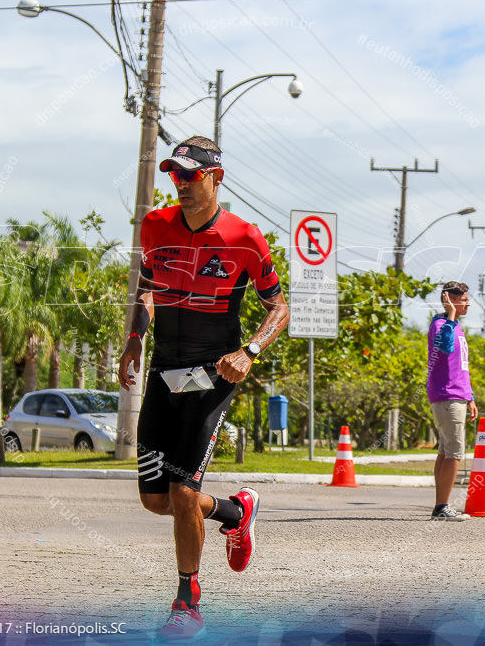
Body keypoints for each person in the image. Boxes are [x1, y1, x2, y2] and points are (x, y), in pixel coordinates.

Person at [118, 136, 289, 641]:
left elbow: (278, 308)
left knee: (182, 489)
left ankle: (187, 602)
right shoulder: (154, 226)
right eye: (175, 175)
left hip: (213, 374)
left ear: (217, 177)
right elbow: (146, 290)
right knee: (156, 501)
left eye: (191, 176)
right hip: (163, 371)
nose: (181, 185)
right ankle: (236, 512)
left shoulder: (245, 238)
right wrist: (133, 341)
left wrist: (249, 352)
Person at [426, 281, 477, 522]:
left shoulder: (455, 327)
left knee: (446, 452)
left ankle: (440, 504)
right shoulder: (441, 325)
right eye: (464, 299)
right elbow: (444, 348)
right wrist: (452, 316)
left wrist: (471, 397)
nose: (468, 303)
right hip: (447, 395)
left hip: (458, 395)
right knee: (455, 453)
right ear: (450, 299)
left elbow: (461, 366)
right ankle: (442, 506)